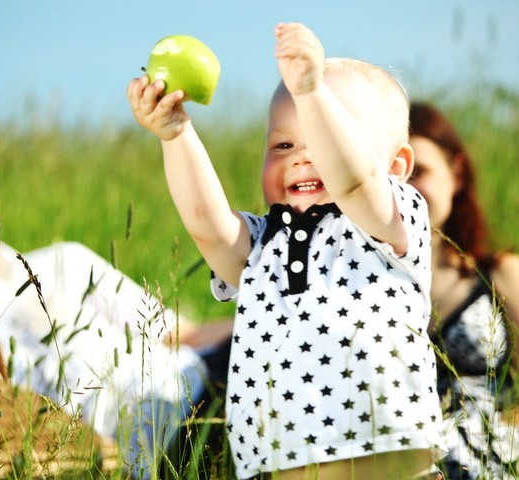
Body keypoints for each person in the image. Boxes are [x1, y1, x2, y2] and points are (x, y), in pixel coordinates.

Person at [128, 22, 448, 479]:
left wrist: (311, 92)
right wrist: (176, 136)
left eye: (322, 136)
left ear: (396, 166)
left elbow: (355, 181)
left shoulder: (391, 221)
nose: (301, 155)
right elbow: (210, 229)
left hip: (388, 465)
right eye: (282, 144)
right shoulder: (264, 245)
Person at [0, 131, 233, 477]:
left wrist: (264, 321)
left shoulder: (64, 263)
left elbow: (185, 335)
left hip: (207, 395)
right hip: (115, 468)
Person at [408, 102, 519, 479]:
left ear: (455, 174)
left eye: (418, 170)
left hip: (491, 455)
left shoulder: (497, 274)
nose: (404, 186)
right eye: (391, 173)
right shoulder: (354, 288)